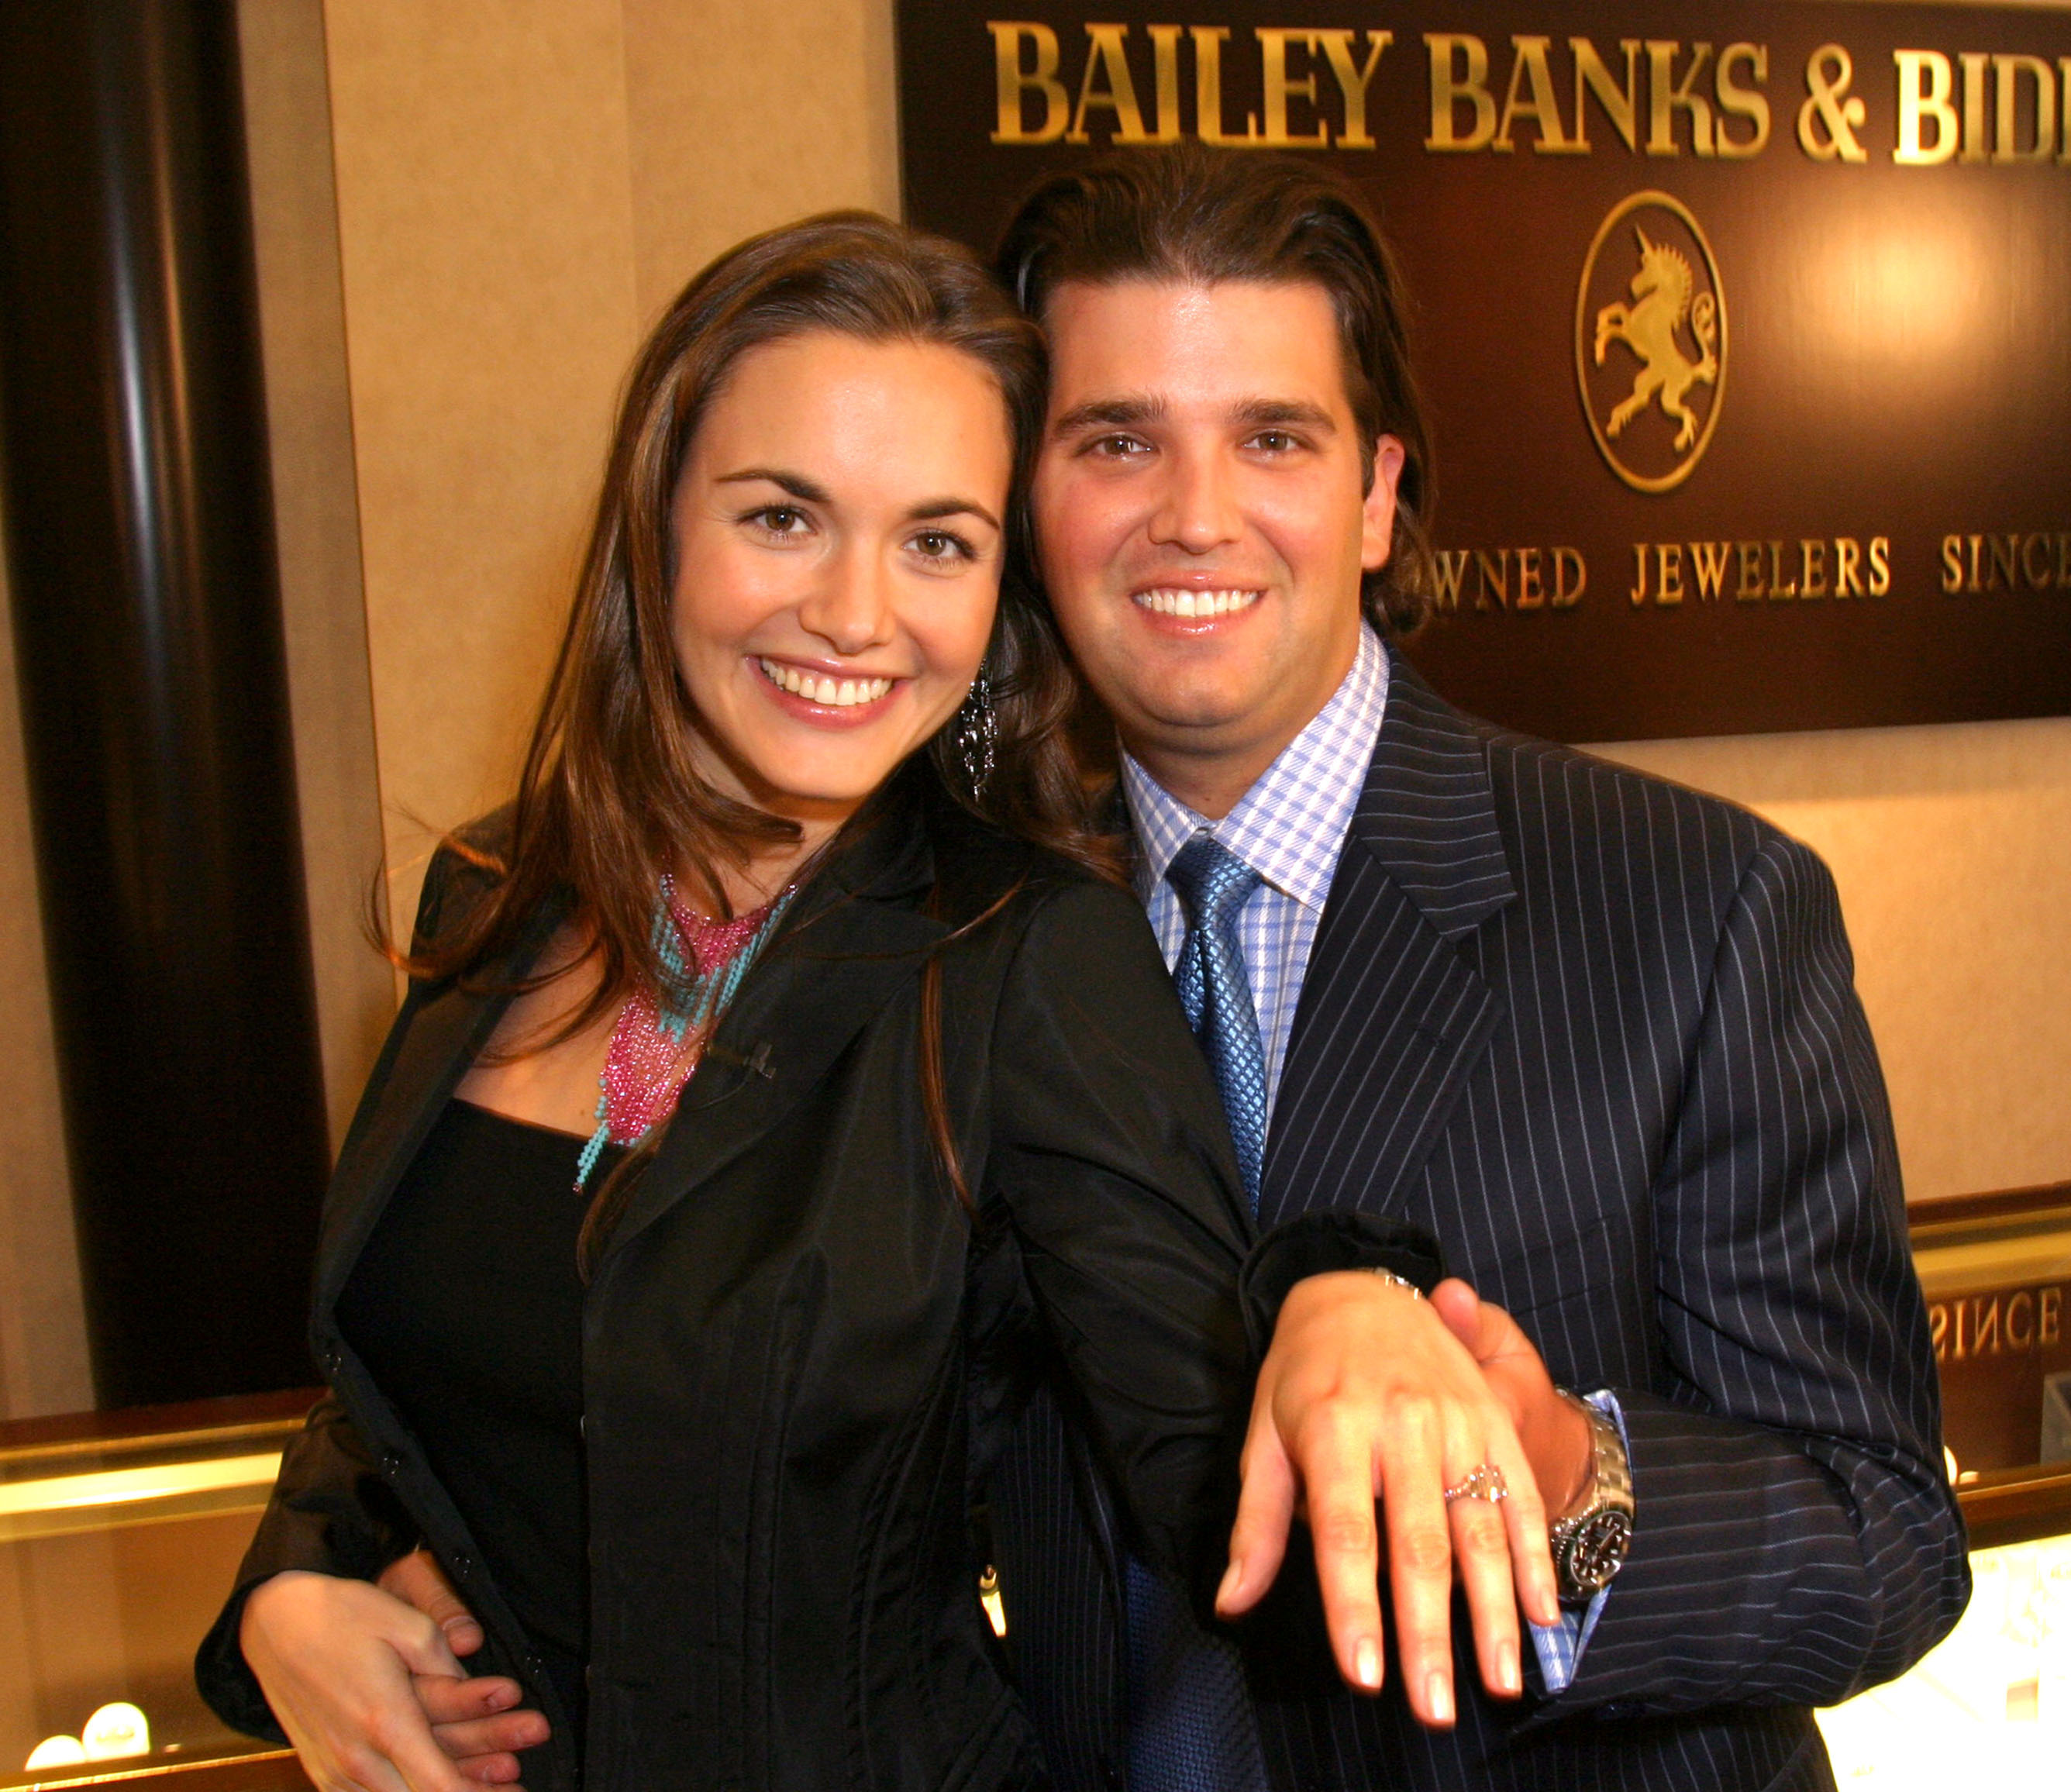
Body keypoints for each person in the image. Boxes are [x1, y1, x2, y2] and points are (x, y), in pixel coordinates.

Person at [196, 212, 1553, 1792]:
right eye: (784, 517)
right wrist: (291, 1591)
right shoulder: (502, 895)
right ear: (657, 525)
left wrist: (1348, 1300)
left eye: (938, 541)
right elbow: (433, 1360)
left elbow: (1227, 1466)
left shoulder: (1022, 957)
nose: (856, 613)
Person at [983, 146, 1970, 1790]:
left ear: (1377, 496)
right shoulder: (978, 936)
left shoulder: (1698, 903)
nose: (1195, 513)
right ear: (1033, 500)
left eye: (1273, 438)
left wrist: (1571, 1487)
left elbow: (1885, 1532)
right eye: (1117, 440)